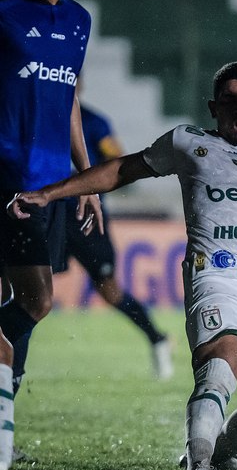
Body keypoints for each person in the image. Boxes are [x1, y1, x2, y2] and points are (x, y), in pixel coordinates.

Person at [9, 61, 237, 470]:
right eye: (229, 101)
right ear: (212, 108)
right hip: (217, 275)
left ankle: (218, 452)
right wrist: (51, 192)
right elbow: (122, 168)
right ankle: (199, 466)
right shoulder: (189, 143)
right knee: (218, 369)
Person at [0, 0, 100, 470]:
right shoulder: (2, 10)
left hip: (49, 187)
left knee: (25, 308)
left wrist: (87, 177)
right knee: (32, 301)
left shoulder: (80, 20)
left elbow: (70, 102)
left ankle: (2, 429)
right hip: (5, 180)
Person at [60, 92, 174, 380]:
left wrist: (92, 175)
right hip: (48, 212)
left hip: (85, 214)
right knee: (29, 287)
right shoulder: (40, 112)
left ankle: (156, 338)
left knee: (109, 290)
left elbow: (116, 160)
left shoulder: (95, 121)